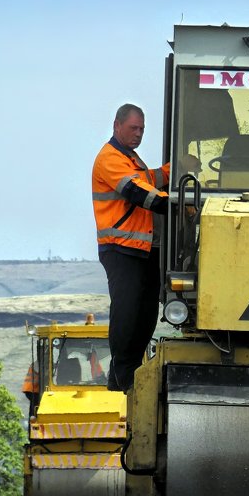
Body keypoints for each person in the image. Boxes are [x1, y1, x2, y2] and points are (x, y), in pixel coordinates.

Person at [90, 103, 170, 392]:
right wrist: (170, 203)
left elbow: (148, 179)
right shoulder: (110, 159)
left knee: (146, 312)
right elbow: (137, 192)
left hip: (141, 249)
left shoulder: (130, 159)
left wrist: (174, 170)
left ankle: (131, 371)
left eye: (142, 129)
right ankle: (123, 378)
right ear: (116, 125)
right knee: (127, 312)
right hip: (121, 249)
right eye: (133, 128)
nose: (138, 134)